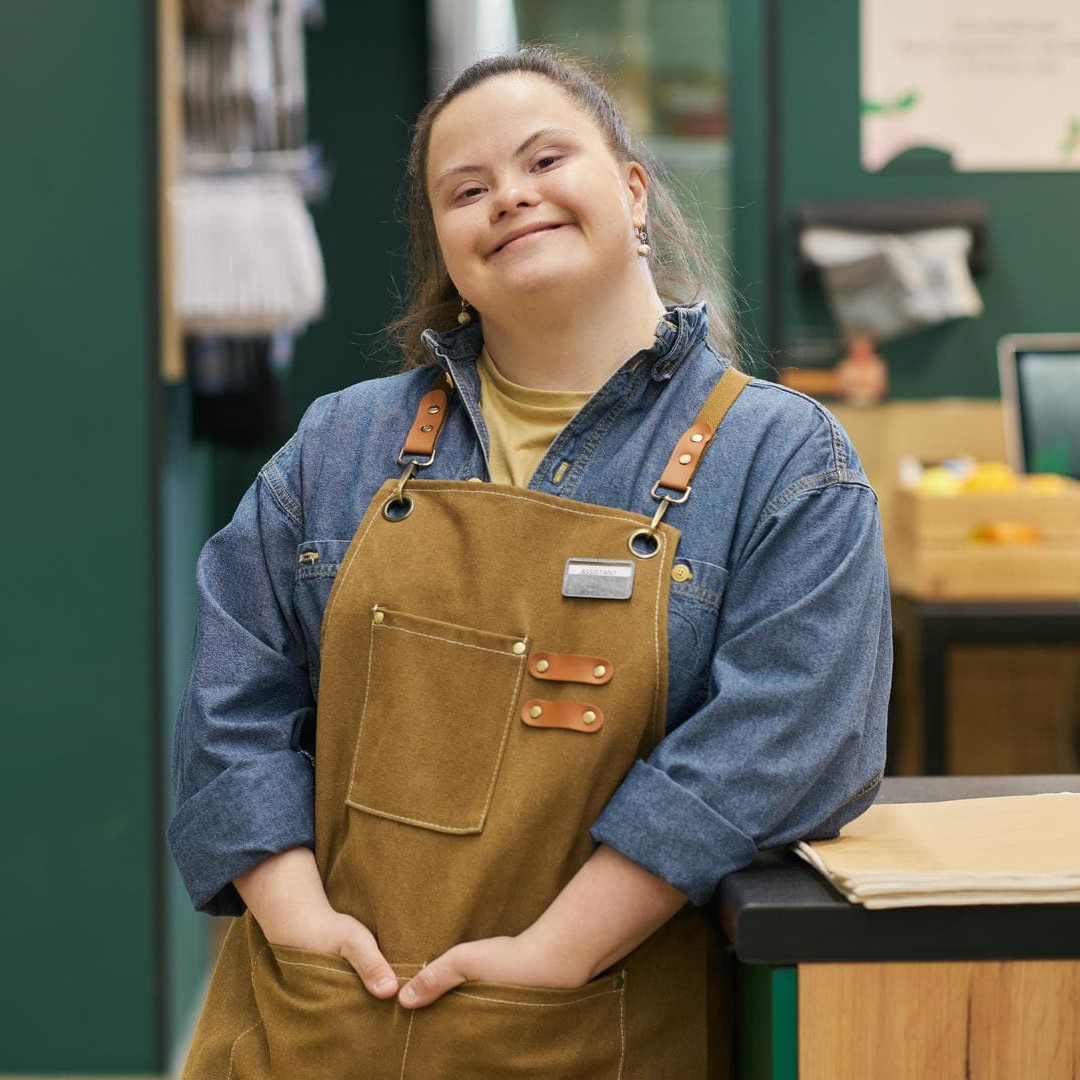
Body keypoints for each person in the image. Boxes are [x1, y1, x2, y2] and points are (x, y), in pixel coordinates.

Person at [169, 46, 890, 1078]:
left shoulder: (783, 462)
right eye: (467, 190)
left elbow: (792, 737)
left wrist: (558, 954)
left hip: (595, 1025)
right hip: (317, 1019)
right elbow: (232, 698)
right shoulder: (341, 445)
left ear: (635, 191)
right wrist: (297, 923)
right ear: (448, 249)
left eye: (545, 160)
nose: (509, 197)